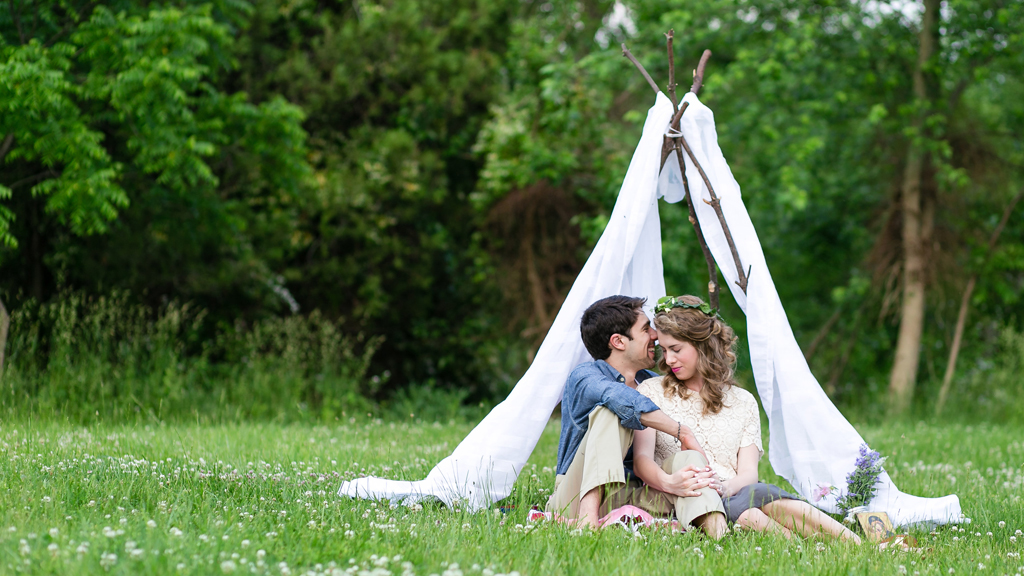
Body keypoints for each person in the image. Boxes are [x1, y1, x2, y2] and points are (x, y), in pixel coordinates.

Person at [634, 294, 861, 544]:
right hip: (685, 496)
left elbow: (748, 473)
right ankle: (816, 549)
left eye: (676, 349)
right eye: (664, 350)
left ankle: (856, 546)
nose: (668, 360)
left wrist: (726, 487)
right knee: (750, 511)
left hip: (735, 492)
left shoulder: (743, 401)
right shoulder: (651, 391)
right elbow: (642, 460)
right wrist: (670, 483)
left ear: (703, 345)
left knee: (758, 499)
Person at [546, 295, 728, 537]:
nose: (655, 334)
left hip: (632, 493)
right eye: (645, 328)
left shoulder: (652, 383)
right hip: (575, 497)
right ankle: (586, 525)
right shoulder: (585, 376)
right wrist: (681, 431)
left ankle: (719, 535)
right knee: (610, 412)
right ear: (618, 341)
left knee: (688, 459)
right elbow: (618, 397)